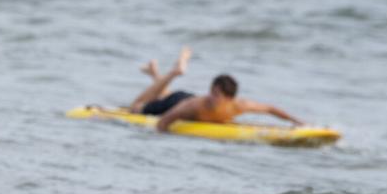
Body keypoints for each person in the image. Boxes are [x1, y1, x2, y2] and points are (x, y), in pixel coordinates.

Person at [128, 46, 304, 131]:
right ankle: (173, 72)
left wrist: (296, 121)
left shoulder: (240, 105)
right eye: (212, 92)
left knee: (164, 95)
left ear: (230, 98)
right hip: (178, 103)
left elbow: (270, 109)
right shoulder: (195, 106)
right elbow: (163, 121)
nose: (212, 97)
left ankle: (154, 73)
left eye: (217, 95)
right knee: (135, 108)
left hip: (185, 98)